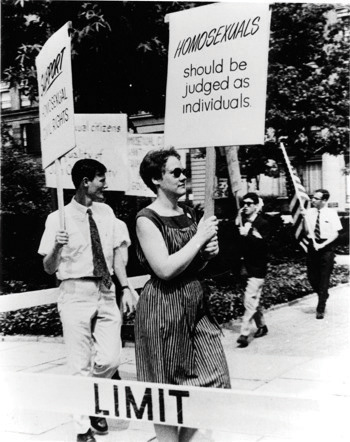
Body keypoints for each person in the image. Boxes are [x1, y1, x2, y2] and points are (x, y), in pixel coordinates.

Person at [135, 147, 231, 442]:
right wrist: (199, 239)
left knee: (214, 380)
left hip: (195, 305)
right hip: (163, 309)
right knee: (164, 394)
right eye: (175, 172)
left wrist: (207, 253)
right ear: (155, 179)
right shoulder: (146, 219)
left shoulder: (188, 213)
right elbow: (164, 268)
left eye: (182, 170)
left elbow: (193, 263)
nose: (183, 176)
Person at [38, 159, 136, 442]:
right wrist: (57, 244)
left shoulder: (106, 213)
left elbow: (118, 254)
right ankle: (83, 428)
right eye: (101, 179)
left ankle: (94, 393)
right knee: (79, 364)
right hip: (74, 293)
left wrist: (126, 287)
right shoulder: (58, 219)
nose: (105, 185)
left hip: (105, 292)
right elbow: (48, 267)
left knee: (111, 358)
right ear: (85, 182)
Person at [235, 193, 271, 348]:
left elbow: (264, 247)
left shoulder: (263, 223)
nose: (246, 206)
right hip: (243, 268)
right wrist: (237, 226)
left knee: (249, 300)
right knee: (252, 300)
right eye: (244, 203)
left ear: (256, 205)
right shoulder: (241, 220)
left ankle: (244, 333)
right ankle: (262, 326)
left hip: (257, 268)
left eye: (249, 203)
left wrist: (247, 235)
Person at [303, 189, 342, 319]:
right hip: (312, 246)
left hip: (326, 247)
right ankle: (323, 294)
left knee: (324, 277)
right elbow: (306, 231)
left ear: (324, 200)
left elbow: (336, 233)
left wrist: (323, 245)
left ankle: (320, 308)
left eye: (316, 198)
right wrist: (304, 219)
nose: (312, 200)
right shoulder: (309, 212)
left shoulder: (331, 213)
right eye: (312, 197)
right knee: (312, 276)